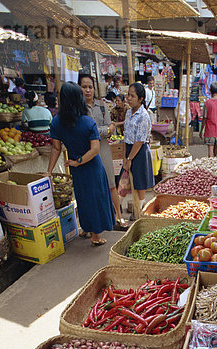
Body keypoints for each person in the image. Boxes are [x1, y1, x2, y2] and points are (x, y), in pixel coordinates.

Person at [47, 82, 115, 246]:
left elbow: (55, 149)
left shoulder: (56, 122)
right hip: (91, 166)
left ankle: (85, 229)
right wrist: (79, 162)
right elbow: (95, 150)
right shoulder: (87, 122)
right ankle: (95, 236)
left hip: (76, 166)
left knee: (82, 198)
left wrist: (49, 171)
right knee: (95, 199)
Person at [78, 74, 128, 230]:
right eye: (84, 86)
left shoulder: (102, 105)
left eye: (90, 87)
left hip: (104, 148)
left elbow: (111, 129)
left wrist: (103, 130)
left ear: (94, 88)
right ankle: (93, 224)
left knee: (111, 184)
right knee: (91, 187)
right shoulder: (78, 109)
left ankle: (118, 217)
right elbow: (84, 131)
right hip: (86, 149)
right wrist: (104, 130)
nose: (87, 90)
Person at [121, 82, 155, 219]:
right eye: (128, 95)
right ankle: (119, 210)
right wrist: (124, 157)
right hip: (129, 149)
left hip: (139, 151)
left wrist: (130, 158)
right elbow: (126, 136)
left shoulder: (144, 116)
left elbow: (139, 141)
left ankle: (138, 212)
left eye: (132, 96)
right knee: (124, 181)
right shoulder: (129, 112)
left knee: (140, 183)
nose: (128, 98)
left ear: (140, 99)